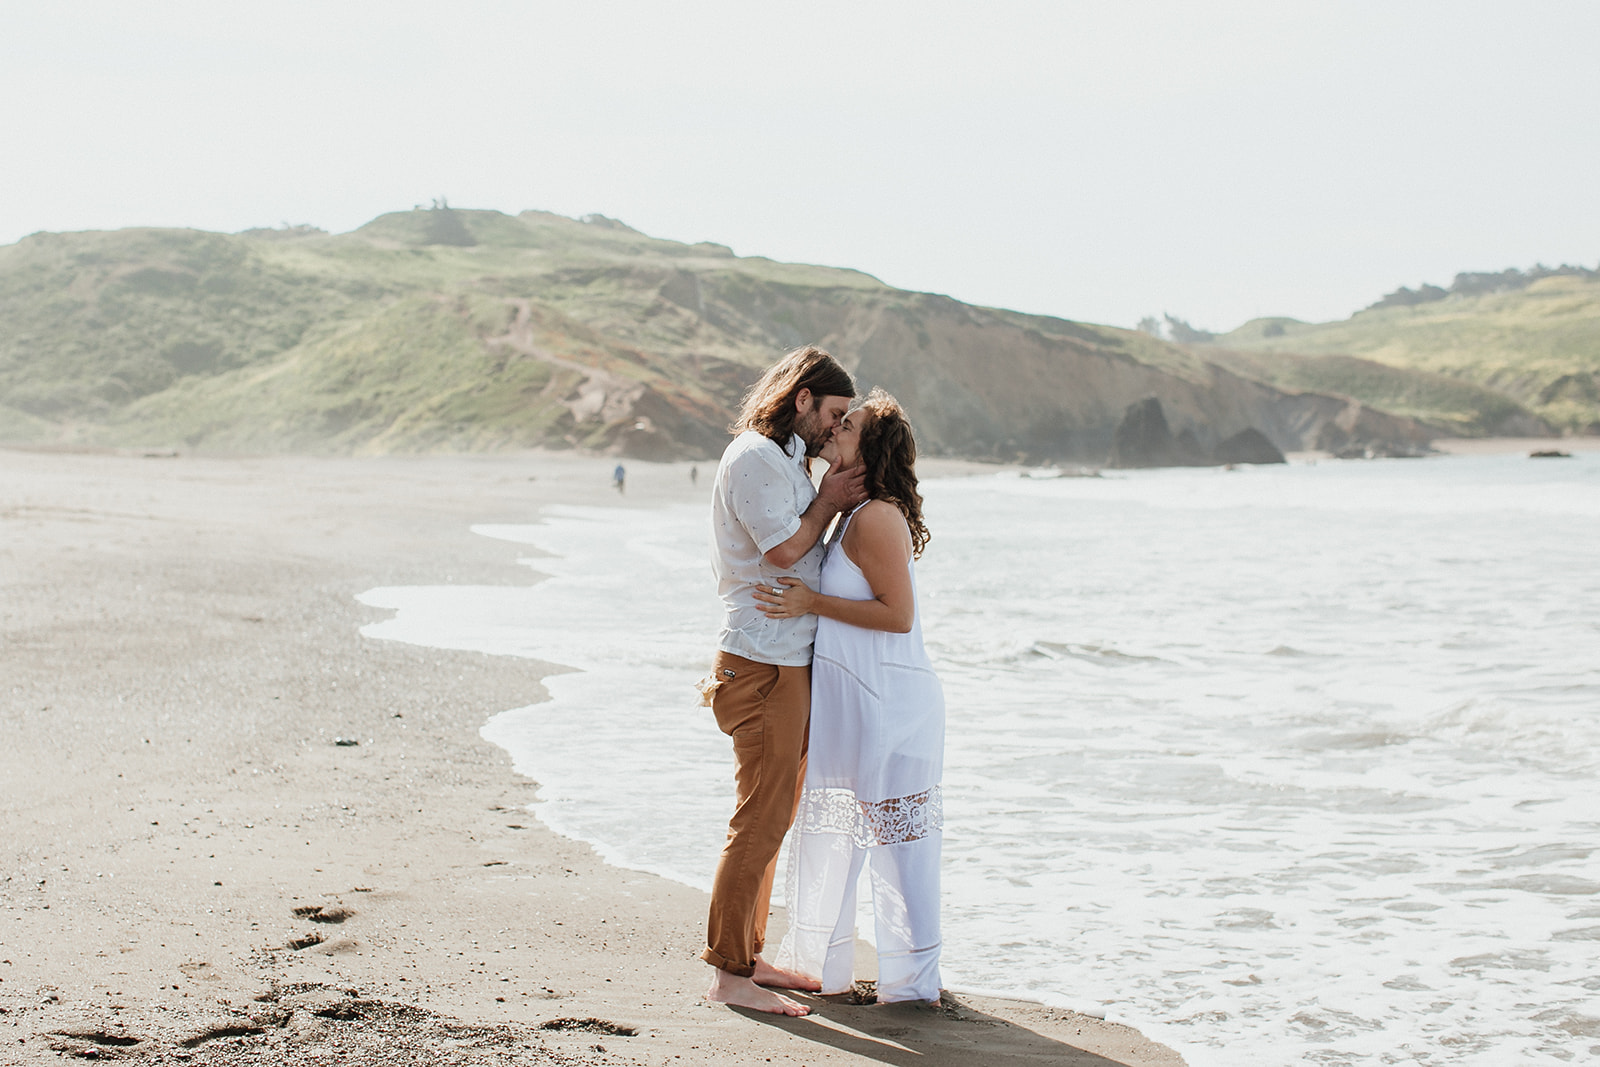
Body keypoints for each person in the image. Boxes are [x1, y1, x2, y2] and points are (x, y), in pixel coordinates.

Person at [756, 389, 945, 1005]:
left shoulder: (879, 518)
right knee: (839, 835)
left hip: (890, 706)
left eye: (850, 425)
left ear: (870, 448)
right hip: (855, 705)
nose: (837, 427)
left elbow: (897, 616)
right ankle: (823, 967)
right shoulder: (849, 512)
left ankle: (914, 981)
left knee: (899, 848)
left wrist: (810, 602)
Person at [701, 345, 867, 1016]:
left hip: (785, 661)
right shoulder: (753, 458)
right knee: (760, 818)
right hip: (761, 662)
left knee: (774, 817)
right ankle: (727, 975)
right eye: (833, 413)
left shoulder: (790, 460)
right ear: (801, 399)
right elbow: (783, 549)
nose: (836, 426)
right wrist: (829, 496)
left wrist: (825, 476)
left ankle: (747, 954)